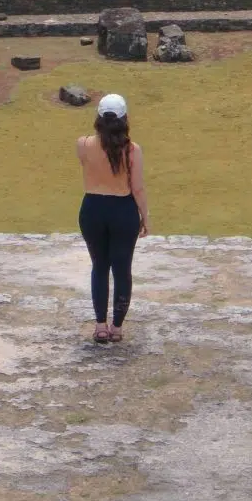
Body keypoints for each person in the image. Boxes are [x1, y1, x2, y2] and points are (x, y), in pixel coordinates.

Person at [76, 91, 148, 344]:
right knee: (122, 269)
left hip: (93, 209)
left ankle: (100, 325)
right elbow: (137, 187)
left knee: (99, 266)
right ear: (124, 118)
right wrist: (144, 216)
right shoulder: (132, 150)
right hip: (122, 210)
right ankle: (117, 327)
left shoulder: (83, 144)